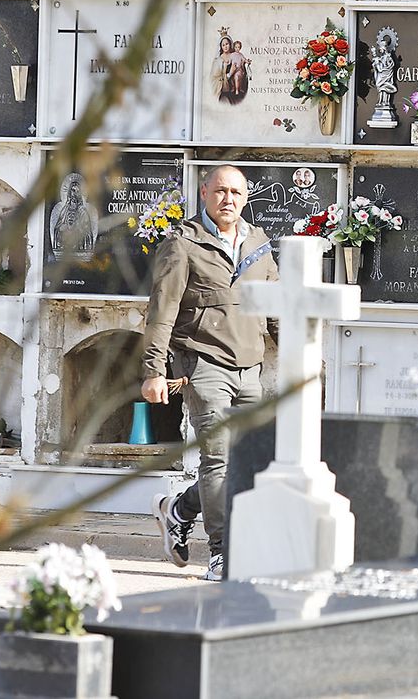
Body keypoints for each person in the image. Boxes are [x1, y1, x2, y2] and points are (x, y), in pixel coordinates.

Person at [142, 164, 277, 581]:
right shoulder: (184, 244)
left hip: (250, 367)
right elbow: (161, 312)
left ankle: (178, 510)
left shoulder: (258, 242)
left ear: (246, 197)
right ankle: (221, 553)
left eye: (236, 192)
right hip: (203, 364)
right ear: (204, 193)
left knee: (251, 459)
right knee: (217, 459)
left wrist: (299, 357)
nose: (228, 200)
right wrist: (153, 371)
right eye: (220, 191)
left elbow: (273, 307)